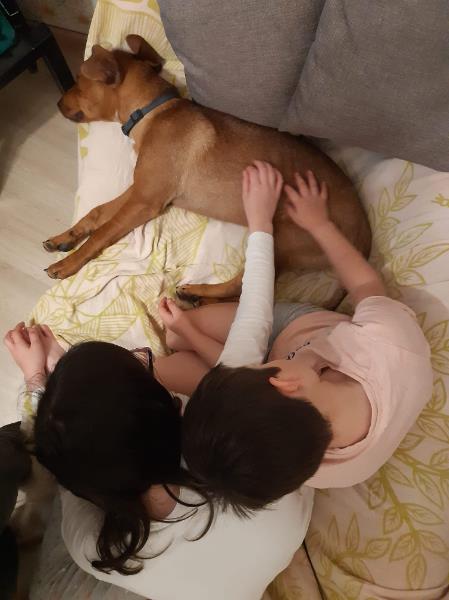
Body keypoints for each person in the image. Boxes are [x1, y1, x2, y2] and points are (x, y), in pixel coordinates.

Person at [3, 161, 314, 600]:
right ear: (172, 403)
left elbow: (61, 471)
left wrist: (37, 378)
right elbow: (254, 319)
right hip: (276, 528)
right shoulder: (236, 432)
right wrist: (260, 223)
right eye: (141, 364)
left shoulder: (90, 549)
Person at [158, 163, 433, 511]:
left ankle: (187, 340)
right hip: (299, 326)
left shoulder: (297, 457)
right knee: (177, 337)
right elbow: (365, 284)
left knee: (173, 347)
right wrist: (320, 224)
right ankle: (188, 340)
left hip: (288, 355)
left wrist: (189, 332)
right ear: (286, 384)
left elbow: (246, 363)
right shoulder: (388, 341)